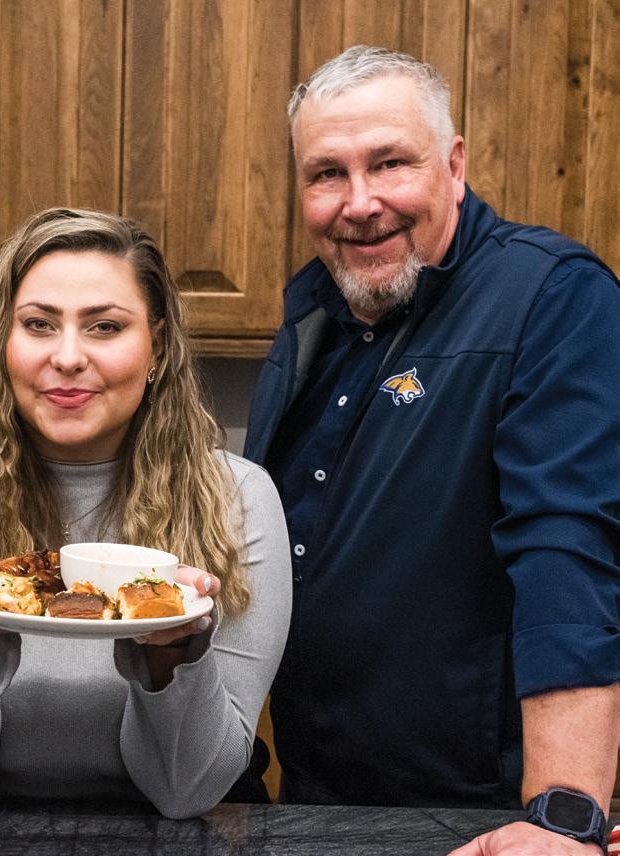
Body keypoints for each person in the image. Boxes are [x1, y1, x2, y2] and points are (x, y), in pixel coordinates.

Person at [244, 45, 619, 853]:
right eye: (327, 174)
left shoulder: (550, 295)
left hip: (480, 818)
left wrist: (563, 815)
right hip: (317, 800)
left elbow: (567, 548)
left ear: (453, 165)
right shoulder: (314, 312)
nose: (360, 202)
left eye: (390, 163)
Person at [0, 208, 292, 818]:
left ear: (157, 346)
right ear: (2, 342)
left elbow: (190, 789)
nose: (69, 356)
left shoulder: (235, 499)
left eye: (105, 327)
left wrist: (170, 649)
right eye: (39, 324)